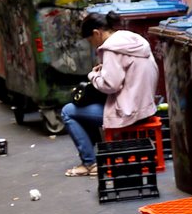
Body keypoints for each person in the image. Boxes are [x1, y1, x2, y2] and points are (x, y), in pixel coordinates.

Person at [60, 11, 160, 176]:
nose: (93, 46)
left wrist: (93, 75)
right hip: (145, 107)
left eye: (91, 41)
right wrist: (104, 71)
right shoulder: (132, 40)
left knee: (68, 111)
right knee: (84, 110)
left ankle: (90, 163)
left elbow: (110, 85)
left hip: (127, 112)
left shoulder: (110, 48)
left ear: (96, 33)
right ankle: (99, 155)